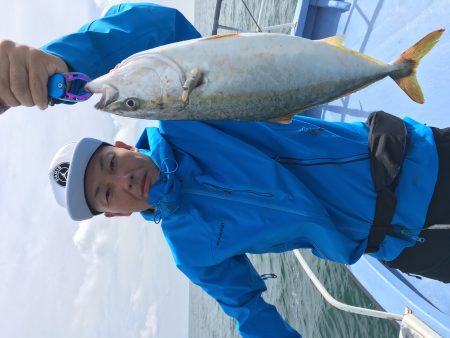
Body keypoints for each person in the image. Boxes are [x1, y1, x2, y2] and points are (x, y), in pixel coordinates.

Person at [1, 3, 449, 338]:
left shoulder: (187, 120)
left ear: (120, 145)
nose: (123, 180)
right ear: (113, 214)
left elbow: (159, 28)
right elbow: (249, 311)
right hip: (399, 245)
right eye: (105, 193)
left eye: (110, 163)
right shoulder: (190, 249)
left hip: (413, 161)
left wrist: (64, 64)